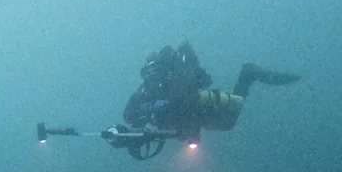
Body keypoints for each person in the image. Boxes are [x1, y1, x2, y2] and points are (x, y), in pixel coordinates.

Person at [123, 40, 300, 136]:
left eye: (154, 72)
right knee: (228, 124)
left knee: (231, 116)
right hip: (195, 120)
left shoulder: (175, 81)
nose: (151, 77)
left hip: (202, 111)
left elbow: (185, 99)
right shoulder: (144, 93)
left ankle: (248, 74)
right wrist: (147, 111)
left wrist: (159, 112)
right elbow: (129, 116)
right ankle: (247, 76)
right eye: (148, 73)